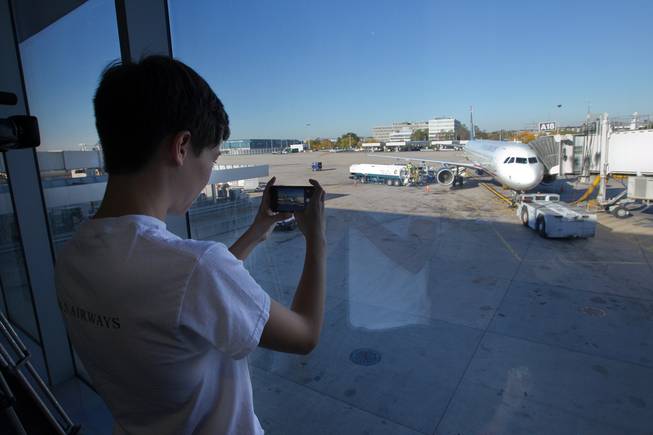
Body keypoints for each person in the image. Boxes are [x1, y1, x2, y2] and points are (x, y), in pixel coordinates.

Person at [54, 55, 326, 435]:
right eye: (212, 157)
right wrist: (317, 240)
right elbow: (305, 335)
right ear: (181, 146)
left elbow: (179, 304)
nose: (210, 172)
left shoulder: (70, 258)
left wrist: (256, 230)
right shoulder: (196, 269)